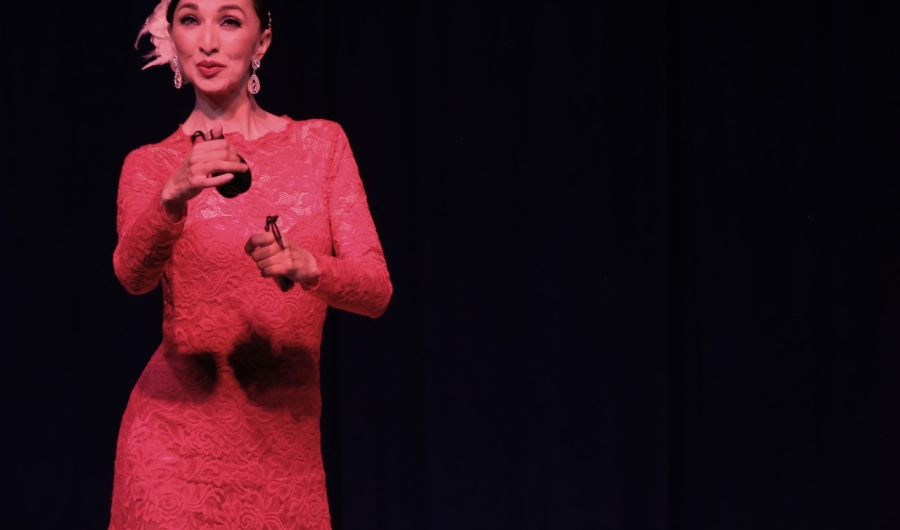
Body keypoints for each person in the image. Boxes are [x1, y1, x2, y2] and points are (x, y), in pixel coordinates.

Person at [109, 0, 392, 527]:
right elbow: (132, 276)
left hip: (286, 448)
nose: (208, 41)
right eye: (190, 20)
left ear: (261, 42)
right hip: (174, 450)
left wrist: (310, 267)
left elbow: (376, 290)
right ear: (172, 38)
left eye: (230, 20)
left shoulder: (321, 144)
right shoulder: (150, 164)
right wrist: (170, 198)